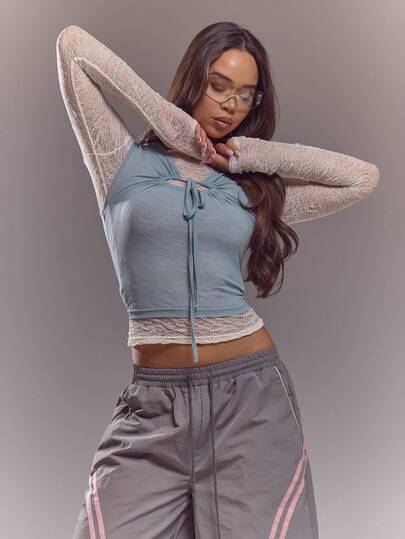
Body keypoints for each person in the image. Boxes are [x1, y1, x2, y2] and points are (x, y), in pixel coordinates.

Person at [56, 22, 380, 539]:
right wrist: (174, 127)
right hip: (154, 406)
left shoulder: (251, 193)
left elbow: (361, 177)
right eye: (218, 85)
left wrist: (250, 156)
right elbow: (73, 47)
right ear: (193, 78)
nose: (231, 104)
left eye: (246, 95)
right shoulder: (120, 163)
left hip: (251, 401)